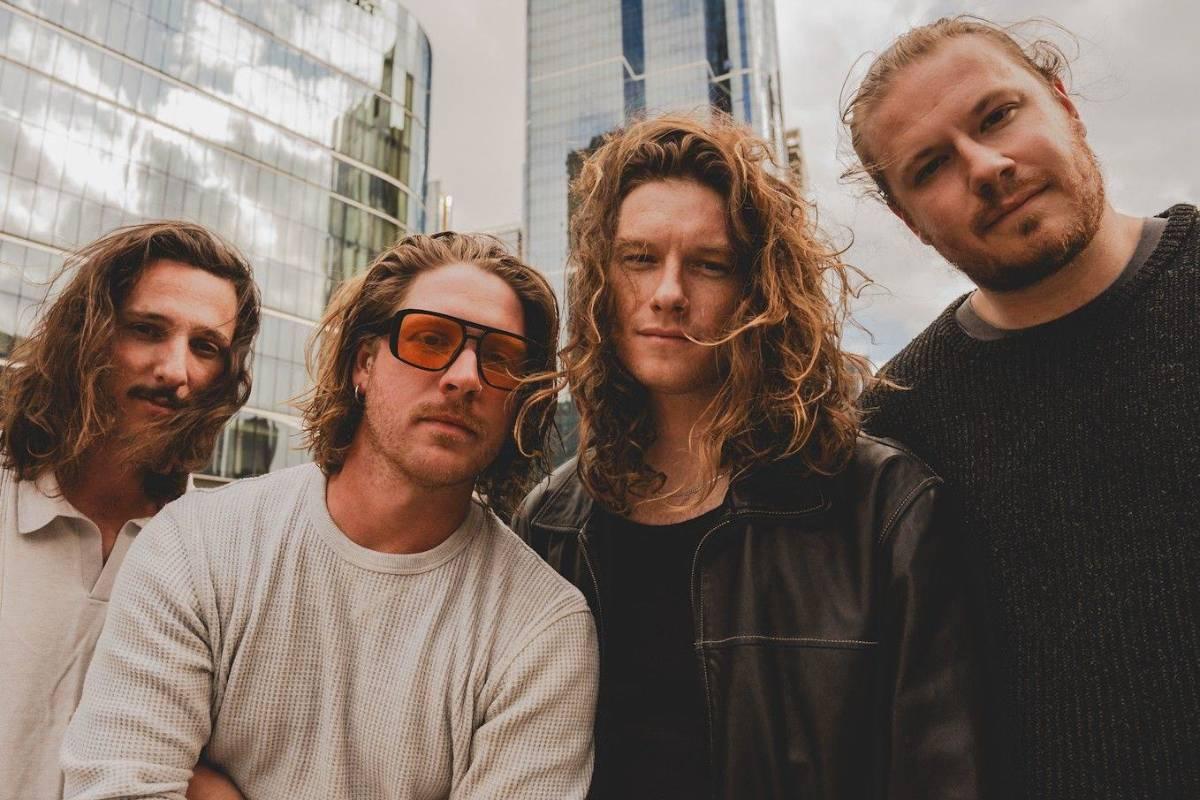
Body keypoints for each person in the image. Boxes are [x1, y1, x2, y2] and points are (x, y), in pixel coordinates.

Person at [512, 114, 980, 799]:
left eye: (709, 264)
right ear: (602, 282)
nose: (668, 293)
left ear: (757, 290)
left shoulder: (881, 505)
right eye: (639, 258)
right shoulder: (550, 522)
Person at [62, 232, 599, 800]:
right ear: (364, 363)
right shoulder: (197, 544)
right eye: (429, 339)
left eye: (500, 360)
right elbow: (118, 786)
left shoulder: (544, 629)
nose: (465, 377)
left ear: (520, 401)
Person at [843, 16, 1200, 798]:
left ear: (1064, 104)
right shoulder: (896, 429)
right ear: (907, 220)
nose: (986, 167)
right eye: (931, 165)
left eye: (997, 115)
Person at [0, 221, 259, 800]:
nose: (175, 371)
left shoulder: (219, 561)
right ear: (87, 334)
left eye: (205, 347)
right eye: (147, 330)